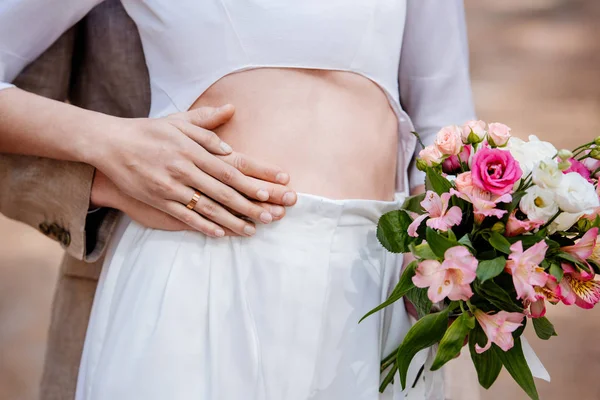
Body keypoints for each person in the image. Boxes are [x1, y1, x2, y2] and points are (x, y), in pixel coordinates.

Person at [0, 0, 475, 399]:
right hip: (199, 259)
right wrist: (115, 143)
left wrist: (448, 250)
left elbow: (445, 123)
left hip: (379, 279)